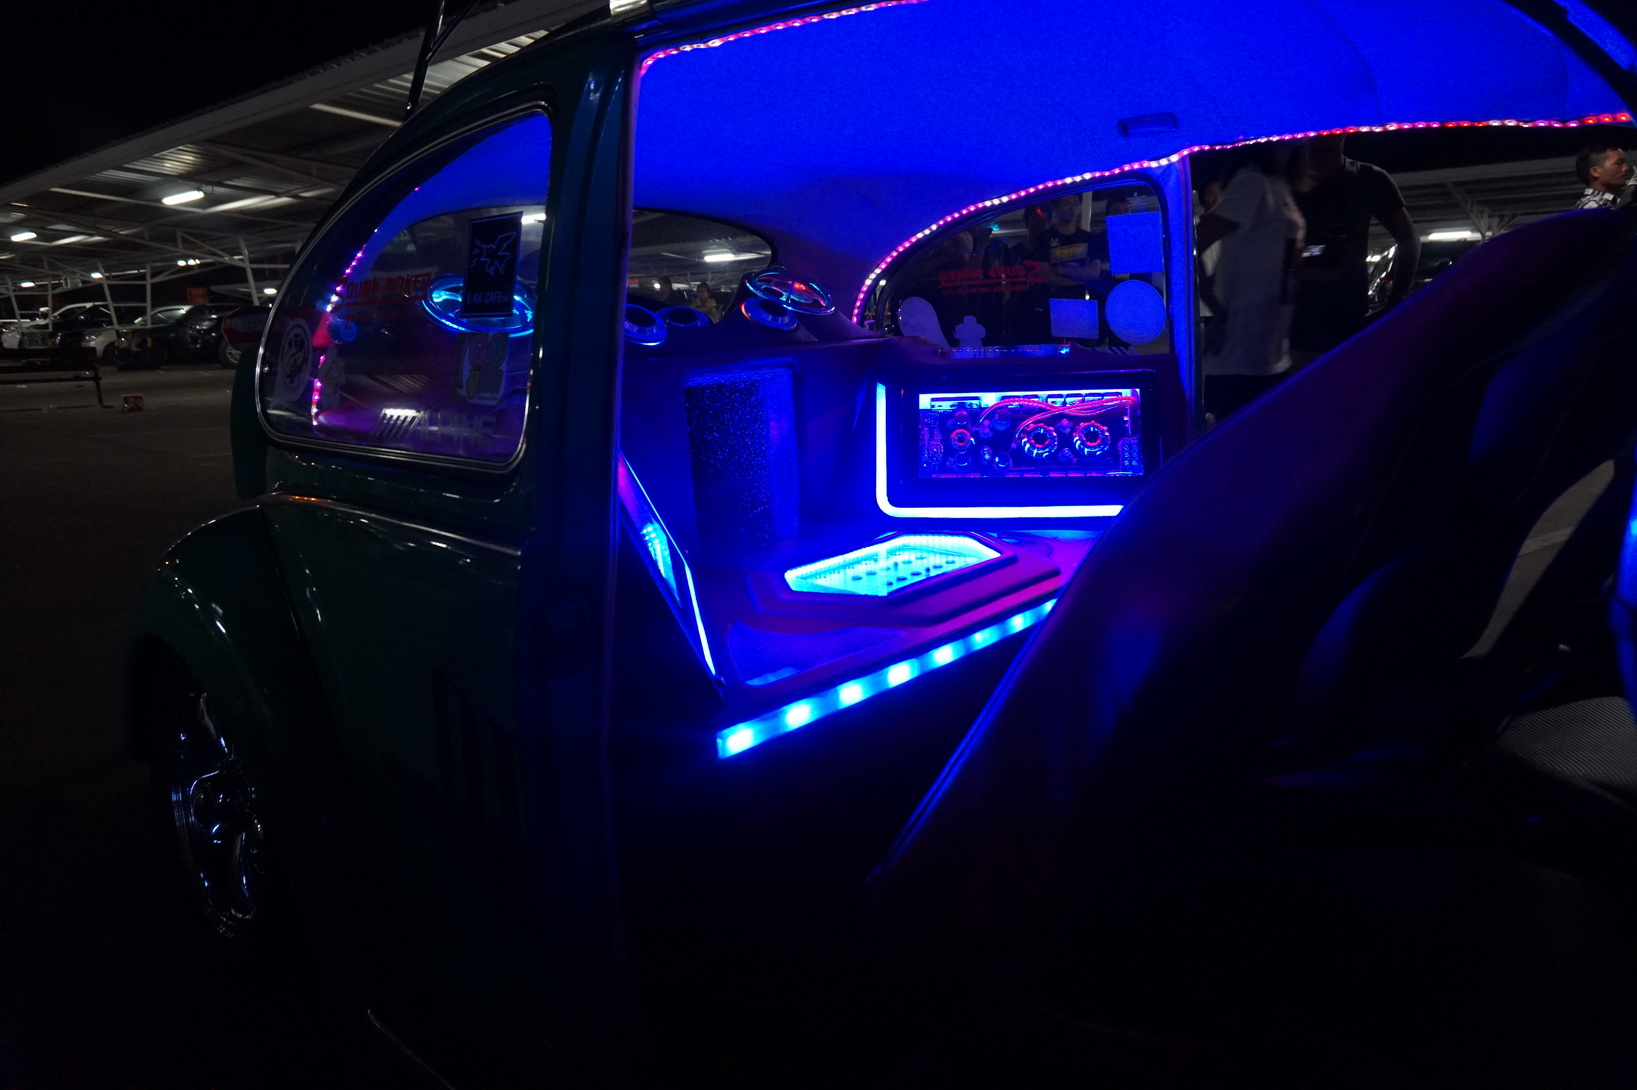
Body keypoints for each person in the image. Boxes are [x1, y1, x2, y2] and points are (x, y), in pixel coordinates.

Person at [1196, 143, 1306, 422]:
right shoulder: (1253, 181)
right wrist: (1217, 311)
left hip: (1271, 348)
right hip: (1243, 353)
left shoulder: (1278, 185)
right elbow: (1197, 240)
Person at [1289, 134, 1419, 367]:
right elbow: (1408, 239)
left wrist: (1396, 300)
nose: (1326, 133)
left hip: (1345, 321)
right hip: (1295, 327)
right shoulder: (1284, 182)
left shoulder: (1369, 179)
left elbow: (1409, 239)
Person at [1572, 142, 1633, 210]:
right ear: (1595, 172)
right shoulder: (1593, 205)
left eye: (1624, 163)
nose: (1626, 168)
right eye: (1619, 163)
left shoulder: (1614, 203)